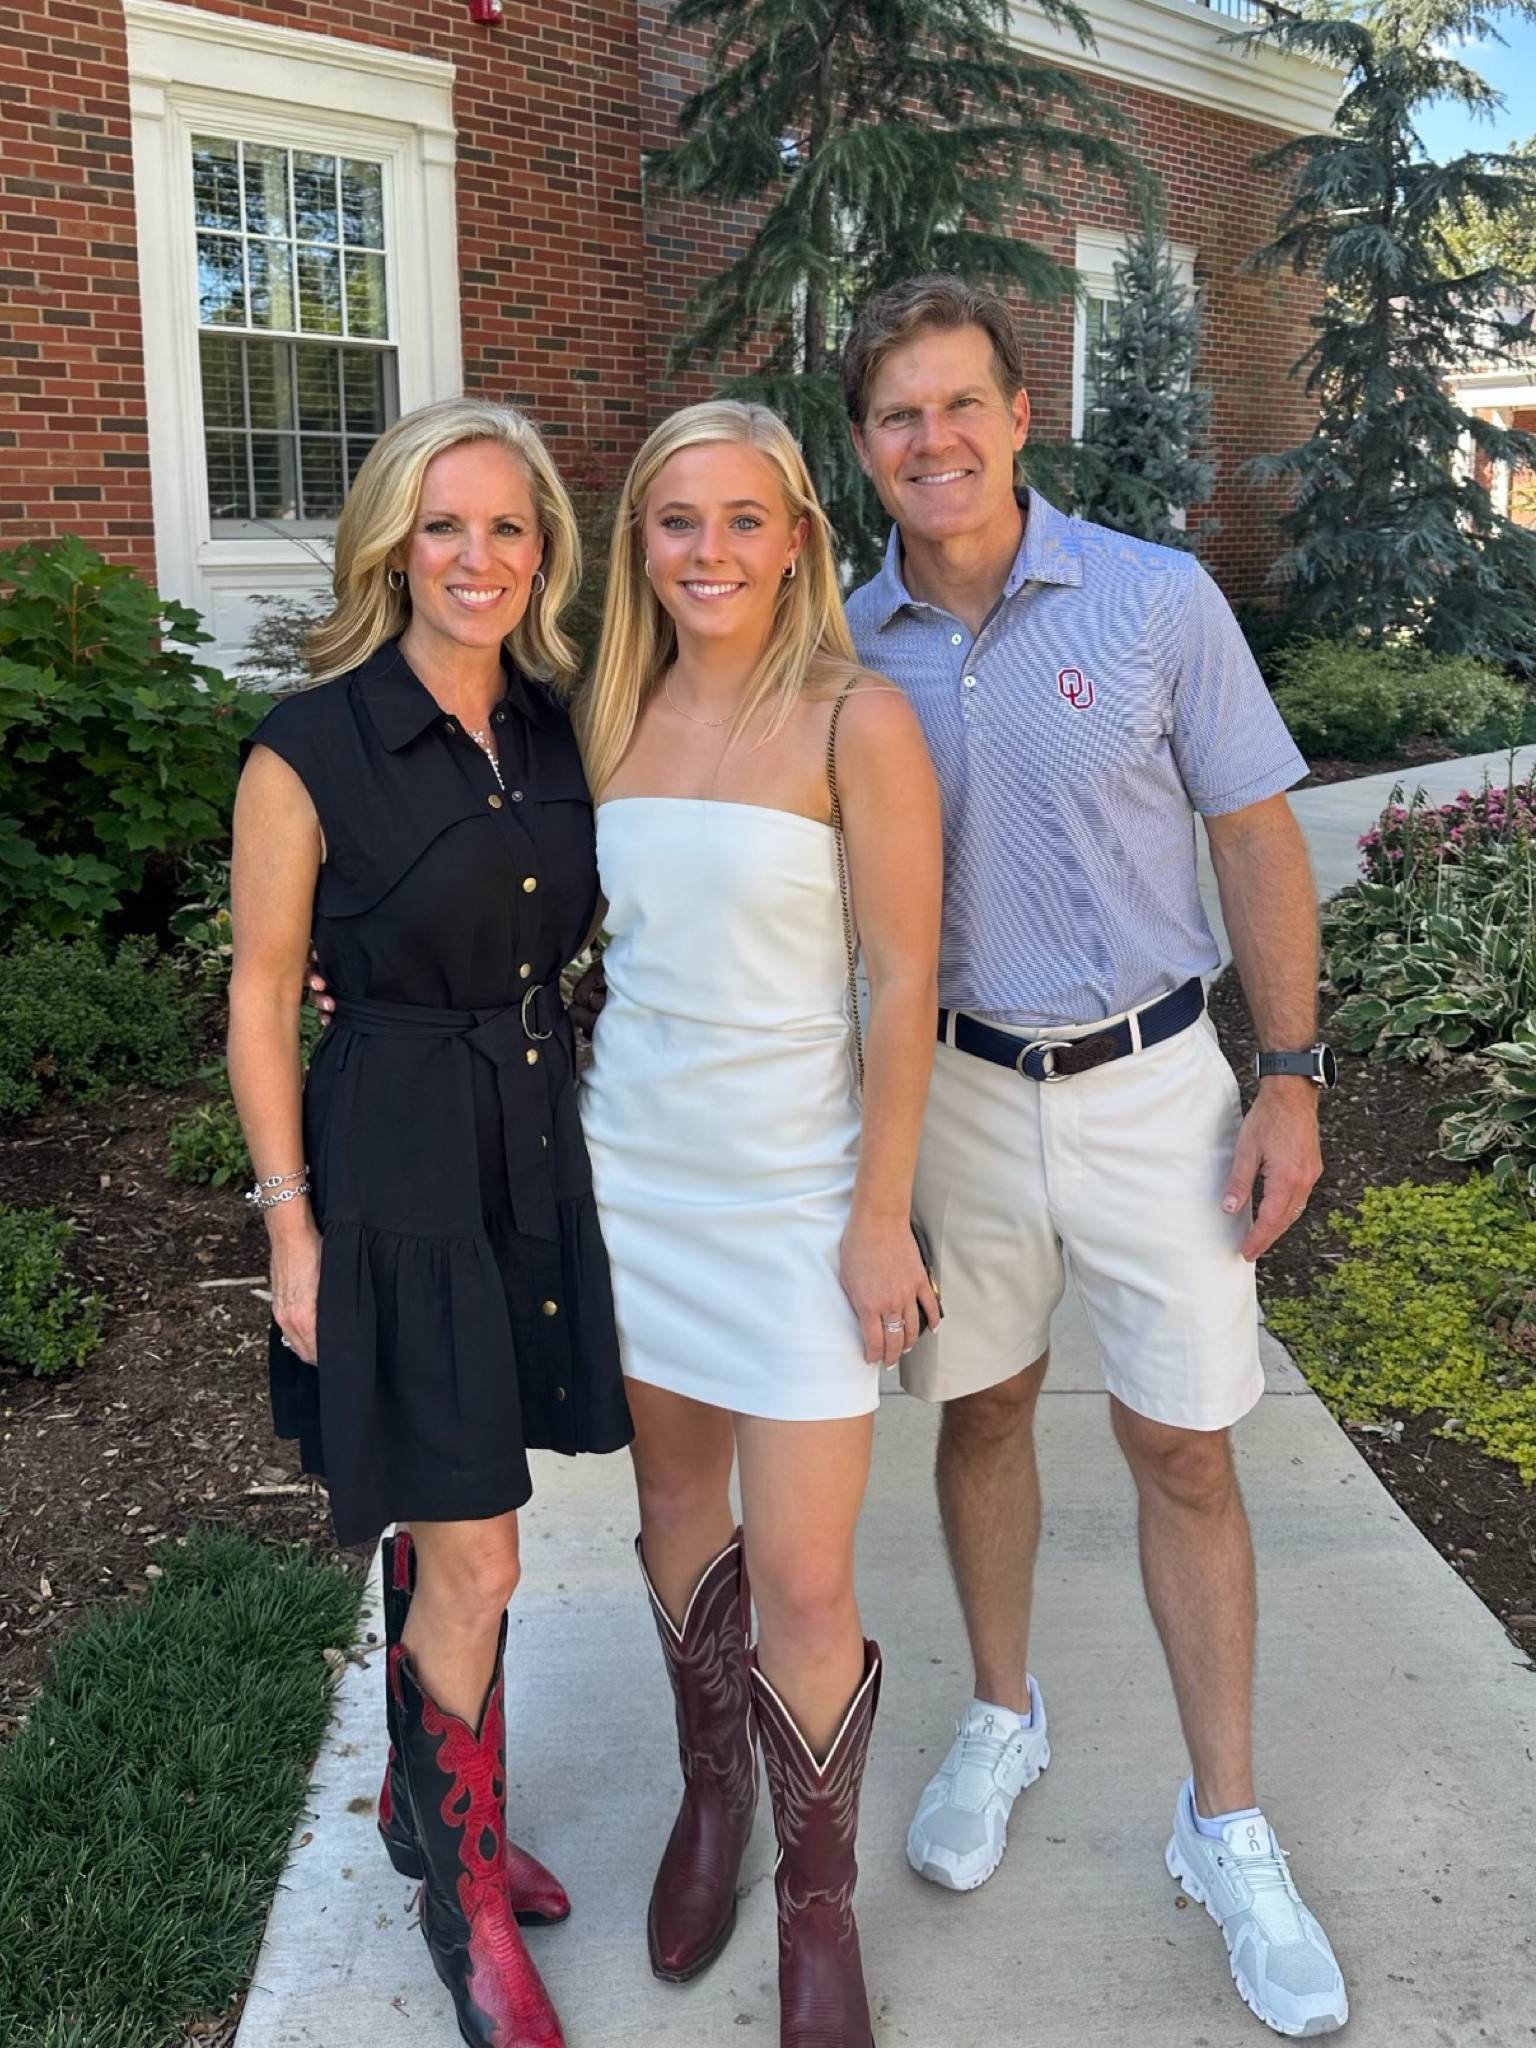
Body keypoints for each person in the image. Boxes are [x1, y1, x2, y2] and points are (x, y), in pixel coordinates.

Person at [836, 276, 1348, 2038]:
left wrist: (1288, 1077)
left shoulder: (1153, 598)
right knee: (982, 1414)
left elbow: (1258, 838)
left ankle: (1227, 1824)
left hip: (1153, 1086)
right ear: (864, 449)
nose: (937, 439)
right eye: (900, 415)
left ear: (1017, 412)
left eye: (962, 403)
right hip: (959, 1093)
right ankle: (1004, 1712)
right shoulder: (844, 643)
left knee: (1184, 1452)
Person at [229, 396, 632, 2048]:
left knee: (450, 1505)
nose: (478, 557)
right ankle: (461, 1896)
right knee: (477, 1539)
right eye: (443, 525)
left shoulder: (557, 725)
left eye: (510, 528)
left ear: (544, 552)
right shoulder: (308, 746)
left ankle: (422, 1804)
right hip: (393, 1160)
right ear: (392, 543)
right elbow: (261, 997)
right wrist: (288, 1230)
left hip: (534, 1143)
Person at [577, 400, 942, 2048]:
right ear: (639, 541)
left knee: (803, 1575)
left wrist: (881, 1216)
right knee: (674, 1509)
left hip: (801, 1200)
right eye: (677, 522)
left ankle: (816, 1903)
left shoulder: (853, 719)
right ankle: (706, 1795)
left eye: (742, 520)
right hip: (634, 1184)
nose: (708, 552)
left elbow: (906, 980)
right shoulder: (605, 712)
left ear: (796, 534)